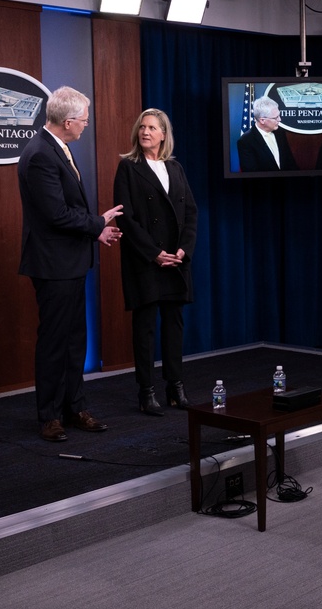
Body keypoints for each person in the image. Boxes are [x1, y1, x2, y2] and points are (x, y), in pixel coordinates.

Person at [18, 86, 123, 443]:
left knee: (75, 340)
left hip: (71, 262)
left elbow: (66, 211)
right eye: (83, 120)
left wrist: (95, 234)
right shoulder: (40, 155)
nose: (86, 125)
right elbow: (56, 214)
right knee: (54, 342)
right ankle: (49, 416)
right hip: (53, 265)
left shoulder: (57, 147)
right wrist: (99, 223)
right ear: (67, 122)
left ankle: (74, 406)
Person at [113, 109, 198, 416]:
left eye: (152, 128)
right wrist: (153, 253)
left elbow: (191, 213)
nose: (145, 132)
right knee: (145, 328)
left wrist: (183, 252)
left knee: (174, 326)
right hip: (146, 260)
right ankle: (146, 392)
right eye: (142, 127)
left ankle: (176, 388)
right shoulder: (128, 168)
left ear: (164, 135)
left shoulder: (175, 168)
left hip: (175, 261)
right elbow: (127, 218)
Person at [237, 95, 299, 172]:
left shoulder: (280, 132)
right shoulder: (246, 141)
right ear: (262, 120)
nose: (279, 119)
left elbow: (290, 161)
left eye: (279, 115)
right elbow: (251, 174)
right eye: (275, 117)